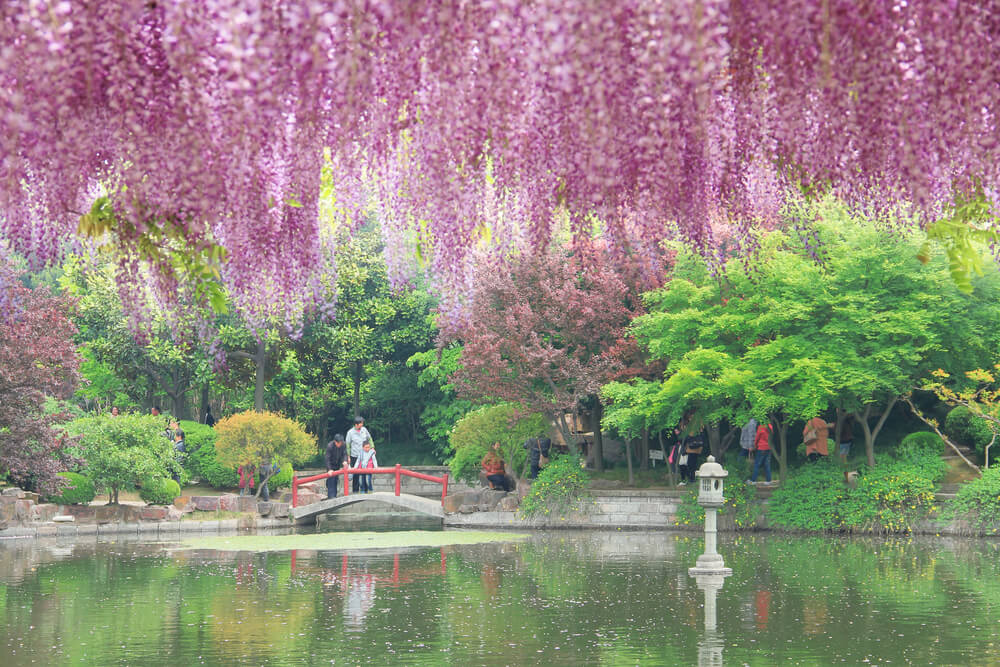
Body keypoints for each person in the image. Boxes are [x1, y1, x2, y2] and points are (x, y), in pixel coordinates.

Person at [346, 416, 373, 493]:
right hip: (355, 455)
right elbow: (348, 445)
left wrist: (372, 447)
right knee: (356, 474)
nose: (362, 424)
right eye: (361, 423)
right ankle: (355, 491)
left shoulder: (364, 430)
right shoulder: (350, 432)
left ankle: (365, 490)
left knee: (365, 473)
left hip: (364, 455)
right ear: (356, 424)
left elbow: (369, 438)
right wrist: (348, 456)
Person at [679, 416, 705, 485]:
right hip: (694, 448)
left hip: (692, 448)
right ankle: (691, 478)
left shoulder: (693, 427)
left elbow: (687, 438)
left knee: (691, 464)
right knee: (691, 464)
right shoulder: (696, 426)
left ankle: (691, 479)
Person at [324, 434, 349, 498]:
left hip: (337, 464)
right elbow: (327, 459)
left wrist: (345, 461)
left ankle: (334, 495)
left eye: (341, 443)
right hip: (331, 465)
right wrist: (329, 469)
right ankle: (331, 497)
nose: (340, 444)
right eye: (339, 443)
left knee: (335, 480)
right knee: (331, 480)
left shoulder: (343, 445)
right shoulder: (330, 446)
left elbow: (345, 454)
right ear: (335, 442)